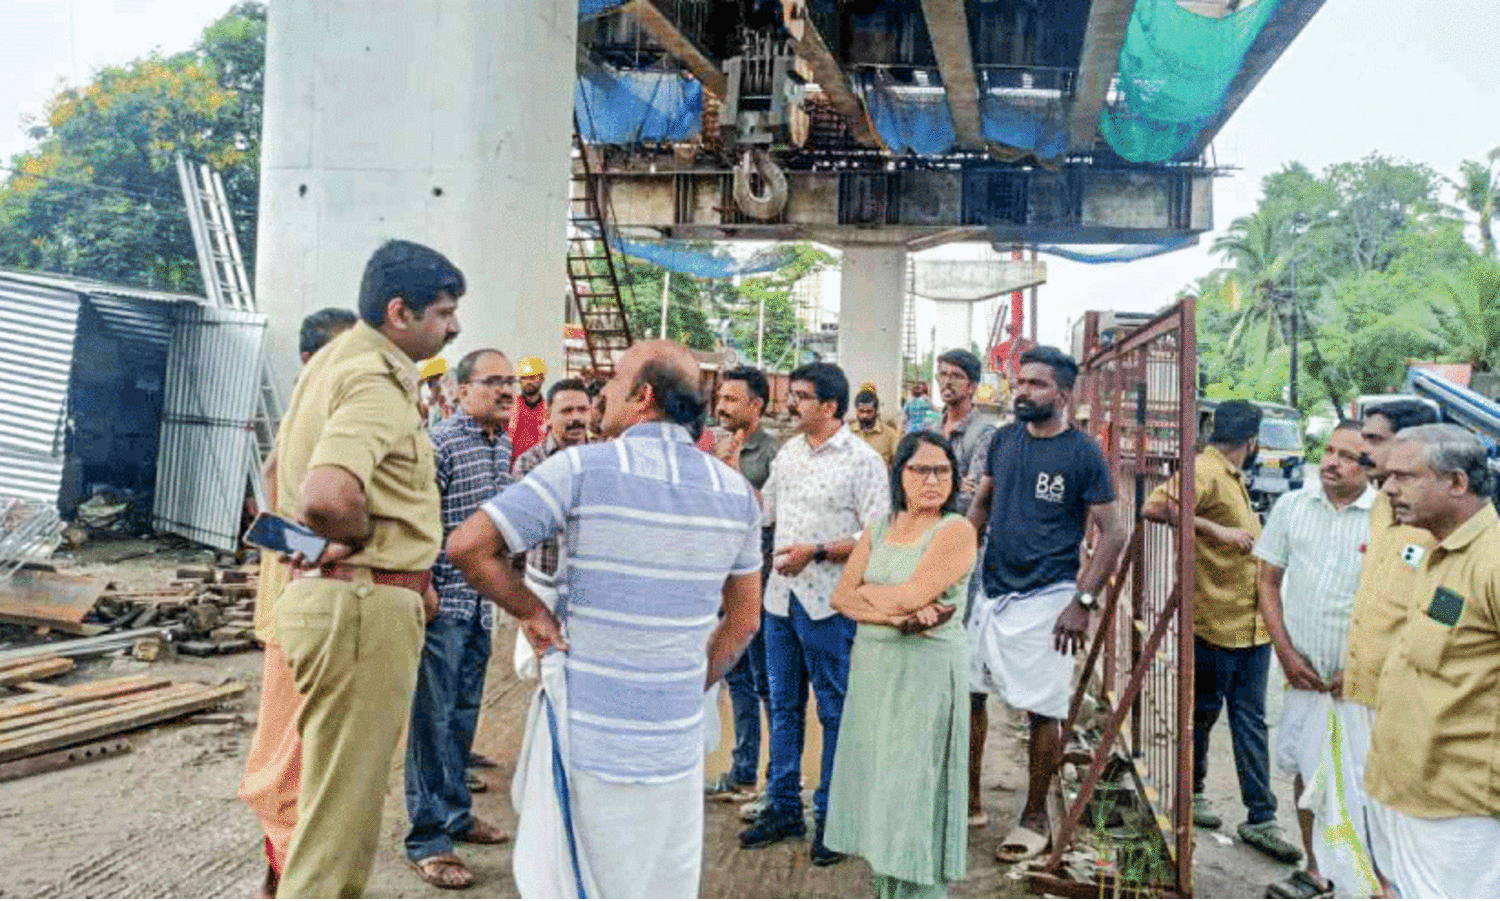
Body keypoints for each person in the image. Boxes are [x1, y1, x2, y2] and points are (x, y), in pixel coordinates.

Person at [446, 339, 763, 898]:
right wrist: (684, 682)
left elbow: (469, 547)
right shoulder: (735, 493)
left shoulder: (580, 469)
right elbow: (744, 622)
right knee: (658, 879)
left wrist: (533, 613)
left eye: (613, 383)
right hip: (673, 736)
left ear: (643, 398)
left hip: (587, 731)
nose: (600, 398)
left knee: (576, 877)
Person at [269, 239, 462, 897]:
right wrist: (358, 541)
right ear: (399, 312)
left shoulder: (332, 361)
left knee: (326, 807)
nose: (453, 327)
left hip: (345, 598)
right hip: (360, 606)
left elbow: (279, 479)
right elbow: (327, 494)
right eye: (443, 312)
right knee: (339, 830)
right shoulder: (376, 379)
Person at [966, 345, 1125, 864]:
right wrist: (953, 565)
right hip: (990, 591)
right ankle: (968, 802)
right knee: (969, 696)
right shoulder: (1004, 440)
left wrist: (1082, 600)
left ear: (1062, 393)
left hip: (1048, 598)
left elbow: (1113, 534)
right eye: (1021, 382)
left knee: (1043, 710)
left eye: (1036, 384)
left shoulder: (1083, 454)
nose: (1023, 391)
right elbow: (982, 505)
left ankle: (1035, 815)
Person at [739, 361, 891, 865]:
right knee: (782, 705)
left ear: (830, 406)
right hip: (781, 600)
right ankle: (783, 804)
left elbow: (877, 538)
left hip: (830, 602)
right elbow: (767, 513)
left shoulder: (863, 461)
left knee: (834, 710)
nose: (792, 403)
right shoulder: (789, 453)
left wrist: (819, 551)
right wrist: (727, 479)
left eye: (802, 396)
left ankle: (834, 815)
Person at [1143, 400, 1300, 865]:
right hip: (1216, 620)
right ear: (1252, 443)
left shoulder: (1224, 473)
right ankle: (1197, 794)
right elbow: (1154, 507)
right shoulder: (1206, 471)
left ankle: (1260, 816)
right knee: (1207, 712)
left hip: (1250, 623)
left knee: (1247, 719)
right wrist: (1215, 530)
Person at [825, 432, 977, 898]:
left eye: (943, 471)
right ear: (900, 475)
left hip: (925, 677)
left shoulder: (955, 529)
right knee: (881, 785)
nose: (933, 480)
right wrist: (892, 613)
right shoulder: (879, 526)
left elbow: (909, 595)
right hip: (875, 673)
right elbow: (838, 597)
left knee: (916, 789)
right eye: (921, 470)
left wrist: (869, 595)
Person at [239, 307, 356, 898]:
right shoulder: (301, 433)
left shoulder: (324, 426)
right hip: (296, 622)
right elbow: (262, 525)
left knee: (315, 765)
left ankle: (283, 877)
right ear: (309, 364)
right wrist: (338, 550)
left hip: (321, 619)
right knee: (292, 766)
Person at [1363, 424, 1500, 898]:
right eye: (1387, 477)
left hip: (1460, 809)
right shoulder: (1437, 550)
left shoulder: (1492, 562)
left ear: (1457, 483)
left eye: (1406, 477)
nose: (1388, 489)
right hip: (1409, 787)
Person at [403, 348, 517, 888]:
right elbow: (420, 524)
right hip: (443, 603)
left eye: (509, 382)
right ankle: (428, 839)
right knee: (432, 718)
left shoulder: (501, 448)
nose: (505, 391)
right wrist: (423, 586)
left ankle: (455, 813)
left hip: (479, 606)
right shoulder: (441, 444)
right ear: (461, 389)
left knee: (463, 714)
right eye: (492, 381)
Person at [1253, 423, 1379, 899]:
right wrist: (1284, 653)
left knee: (1362, 784)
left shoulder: (1388, 519)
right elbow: (1267, 580)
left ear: (1371, 467)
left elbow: (1412, 605)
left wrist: (1365, 666)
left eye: (1348, 456)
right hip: (1302, 675)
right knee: (1309, 773)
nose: (1332, 462)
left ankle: (1367, 881)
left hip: (1361, 685)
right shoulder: (1292, 506)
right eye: (1328, 450)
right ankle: (1315, 870)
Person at [1339, 400, 1439, 883]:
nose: (1363, 450)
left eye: (1375, 441)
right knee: (1370, 811)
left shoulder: (1443, 524)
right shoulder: (1381, 505)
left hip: (1413, 706)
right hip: (1364, 692)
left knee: (1413, 831)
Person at [706, 366, 780, 801]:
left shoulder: (772, 455)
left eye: (731, 399)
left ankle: (778, 777)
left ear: (756, 405)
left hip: (761, 583)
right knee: (737, 679)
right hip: (723, 580)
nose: (721, 406)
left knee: (768, 682)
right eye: (721, 397)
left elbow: (772, 516)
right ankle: (744, 771)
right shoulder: (714, 446)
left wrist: (733, 473)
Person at [933, 348, 999, 828]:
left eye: (955, 377)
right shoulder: (934, 427)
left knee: (967, 680)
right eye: (942, 375)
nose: (947, 383)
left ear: (973, 385)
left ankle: (970, 794)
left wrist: (930, 483)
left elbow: (970, 494)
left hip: (966, 557)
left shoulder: (984, 433)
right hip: (925, 551)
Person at [511, 377, 592, 609]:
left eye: (582, 410)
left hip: (589, 587)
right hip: (542, 584)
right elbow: (521, 528)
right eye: (566, 411)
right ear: (548, 416)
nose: (576, 417)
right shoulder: (530, 464)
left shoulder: (603, 460)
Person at [509, 355, 548, 460]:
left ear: (542, 379)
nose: (527, 382)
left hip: (539, 467)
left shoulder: (549, 410)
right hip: (512, 468)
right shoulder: (510, 407)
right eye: (523, 378)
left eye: (531, 378)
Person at [850, 386, 899, 465]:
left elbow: (897, 464)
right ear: (856, 411)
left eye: (869, 412)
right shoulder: (847, 432)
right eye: (861, 411)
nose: (864, 416)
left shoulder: (890, 435)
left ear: (876, 411)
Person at [419, 356, 453, 427]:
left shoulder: (437, 385)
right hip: (433, 409)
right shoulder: (426, 387)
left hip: (437, 410)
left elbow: (437, 397)